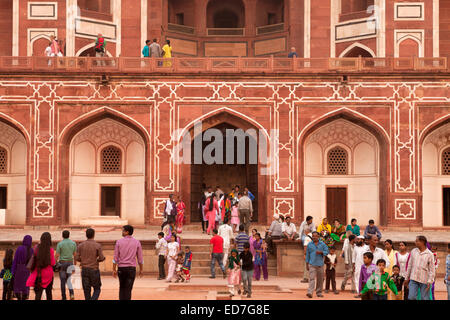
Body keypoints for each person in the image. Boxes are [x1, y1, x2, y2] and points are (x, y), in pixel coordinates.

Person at [113, 225, 144, 300]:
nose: (122, 232)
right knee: (128, 289)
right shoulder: (137, 242)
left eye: (123, 230)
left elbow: (115, 258)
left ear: (127, 232)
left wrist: (114, 269)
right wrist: (141, 270)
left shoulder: (119, 242)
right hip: (131, 269)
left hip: (121, 268)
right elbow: (140, 258)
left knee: (122, 288)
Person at [75, 228, 105, 300]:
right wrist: (97, 260)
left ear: (86, 235)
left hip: (84, 269)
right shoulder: (97, 245)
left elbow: (76, 257)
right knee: (97, 288)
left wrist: (83, 260)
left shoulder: (80, 245)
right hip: (94, 269)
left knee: (86, 290)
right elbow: (101, 258)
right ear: (94, 235)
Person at [404, 235, 436, 300]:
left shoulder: (429, 254)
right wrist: (406, 278)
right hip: (413, 278)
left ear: (422, 242)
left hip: (424, 280)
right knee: (411, 297)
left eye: (417, 241)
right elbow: (410, 265)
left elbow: (432, 269)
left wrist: (430, 281)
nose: (415, 242)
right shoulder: (413, 251)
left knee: (425, 298)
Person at [26, 232, 55, 300]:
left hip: (39, 273)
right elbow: (53, 263)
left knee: (38, 293)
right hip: (48, 274)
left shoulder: (36, 247)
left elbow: (34, 258)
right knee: (49, 292)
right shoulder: (51, 250)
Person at [305, 231, 329, 298]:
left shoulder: (322, 244)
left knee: (320, 279)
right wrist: (307, 264)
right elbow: (307, 255)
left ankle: (319, 292)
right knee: (311, 279)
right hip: (312, 264)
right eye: (313, 236)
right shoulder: (309, 244)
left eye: (315, 236)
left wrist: (321, 252)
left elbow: (327, 251)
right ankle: (310, 292)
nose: (314, 237)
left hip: (320, 264)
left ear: (318, 237)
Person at [55, 230, 77, 300]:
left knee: (62, 281)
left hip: (62, 263)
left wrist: (56, 263)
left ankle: (64, 297)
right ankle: (72, 294)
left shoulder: (60, 244)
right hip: (70, 262)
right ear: (69, 235)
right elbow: (75, 255)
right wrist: (74, 264)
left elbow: (57, 255)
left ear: (62, 235)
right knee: (69, 280)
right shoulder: (73, 243)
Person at [11, 235, 33, 300]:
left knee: (17, 285)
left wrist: (13, 271)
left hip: (19, 269)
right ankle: (24, 297)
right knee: (25, 286)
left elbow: (15, 260)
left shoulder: (19, 248)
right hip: (27, 270)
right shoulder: (31, 250)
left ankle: (19, 298)